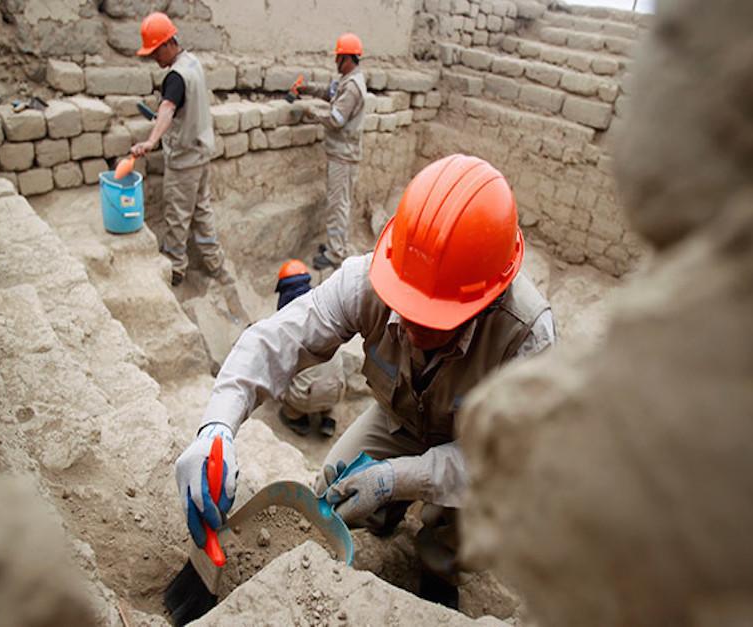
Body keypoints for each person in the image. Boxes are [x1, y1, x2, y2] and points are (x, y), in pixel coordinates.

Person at [175, 154, 556, 607]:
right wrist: (217, 427)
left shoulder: (526, 337)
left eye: (433, 318)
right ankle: (384, 518)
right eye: (406, 305)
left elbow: (506, 462)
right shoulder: (370, 279)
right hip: (399, 419)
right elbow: (275, 340)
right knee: (330, 496)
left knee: (472, 520)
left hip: (477, 449)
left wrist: (397, 478)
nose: (411, 328)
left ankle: (438, 567)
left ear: (486, 301)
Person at [130, 12, 231, 287]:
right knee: (202, 210)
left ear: (167, 44)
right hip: (201, 154)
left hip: (184, 160)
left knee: (177, 216)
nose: (154, 59)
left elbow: (167, 108)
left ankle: (175, 268)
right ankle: (214, 262)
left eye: (155, 53)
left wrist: (151, 141)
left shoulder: (175, 77)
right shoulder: (193, 63)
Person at [299, 33, 367, 271]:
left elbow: (337, 119)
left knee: (338, 205)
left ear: (348, 58)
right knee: (337, 203)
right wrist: (307, 89)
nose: (335, 61)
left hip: (344, 155)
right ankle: (334, 245)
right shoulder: (347, 80)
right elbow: (330, 92)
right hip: (340, 153)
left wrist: (312, 114)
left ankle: (336, 253)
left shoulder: (353, 87)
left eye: (338, 57)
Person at [274, 259, 346, 437]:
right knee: (329, 378)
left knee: (279, 383)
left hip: (306, 395)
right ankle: (328, 417)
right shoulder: (326, 312)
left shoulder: (287, 325)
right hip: (337, 390)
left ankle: (297, 418)